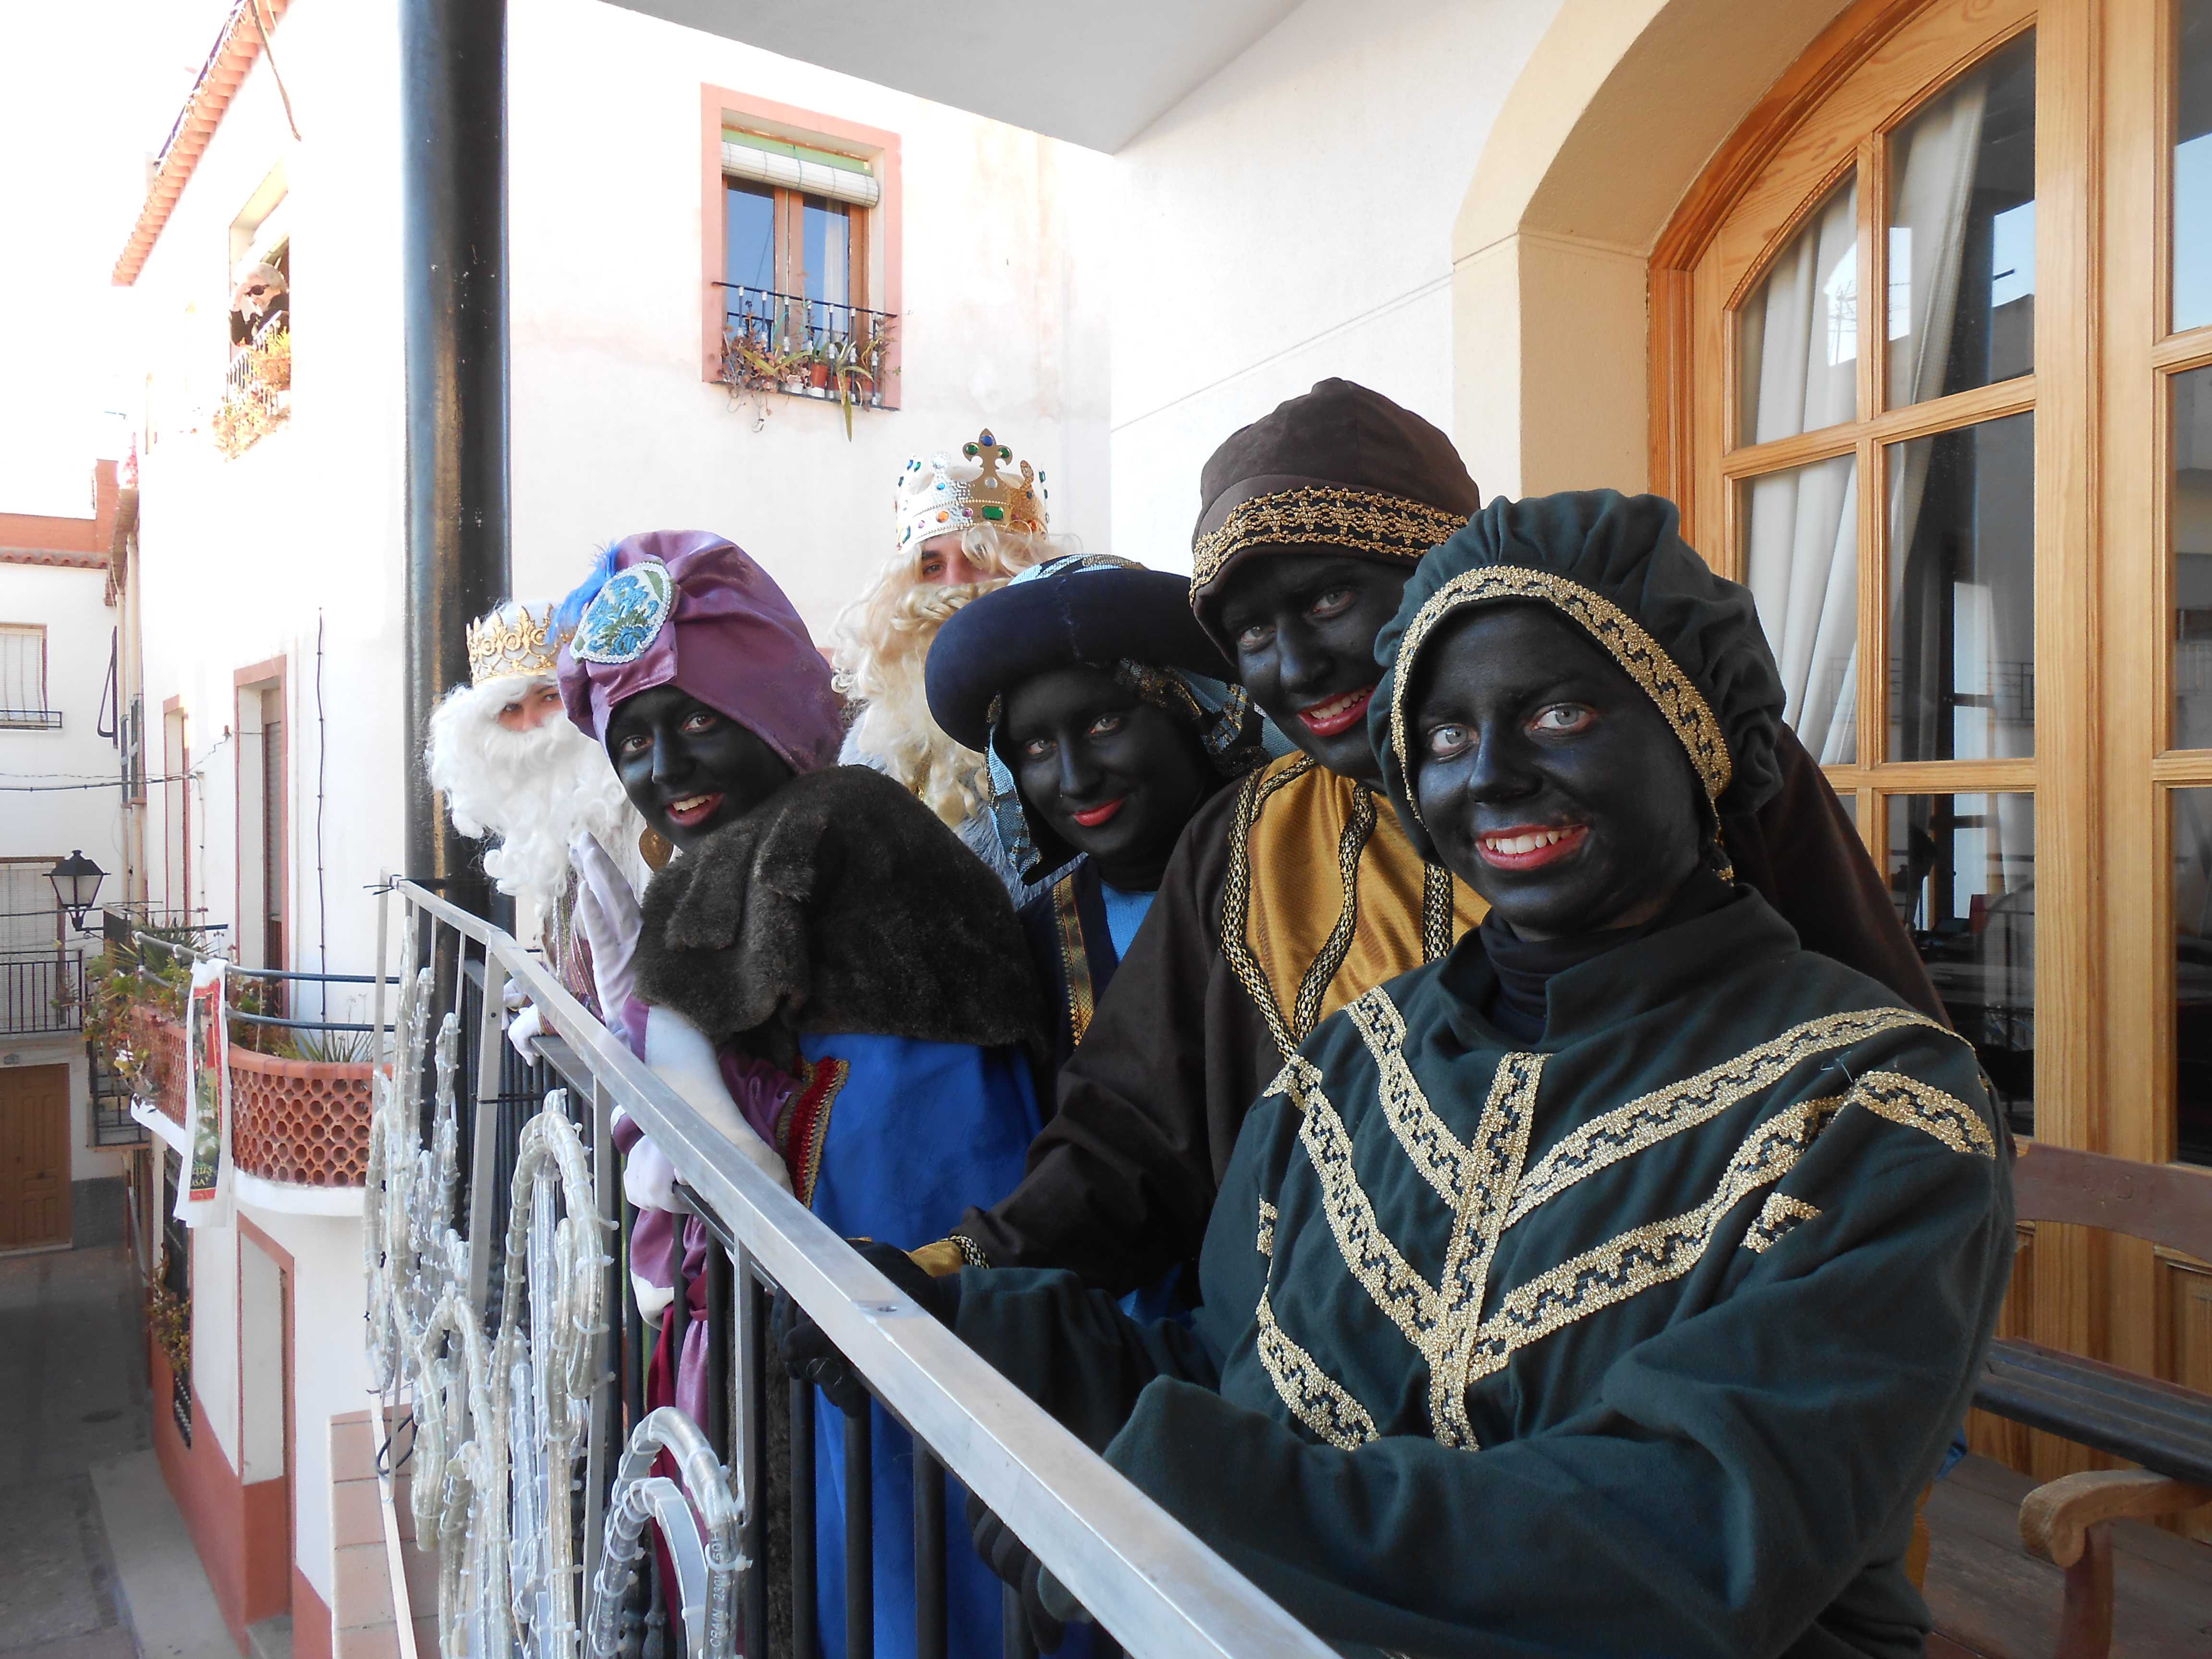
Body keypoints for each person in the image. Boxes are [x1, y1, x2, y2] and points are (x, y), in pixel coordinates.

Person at [791, 490, 2016, 1658]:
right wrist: (962, 1324)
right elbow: (1240, 1378)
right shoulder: (1348, 1067)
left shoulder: (1876, 1107)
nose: (1487, 772)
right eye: (1442, 732)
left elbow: (1687, 1535)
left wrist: (1180, 1480)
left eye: (1559, 715)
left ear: (1695, 727)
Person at [933, 379, 1945, 1298]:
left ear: (1442, 577)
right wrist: (956, 1276)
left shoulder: (1684, 766)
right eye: (1249, 635)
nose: (1295, 666)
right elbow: (1128, 1134)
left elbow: (1881, 1082)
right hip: (1319, 1412)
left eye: (1330, 598)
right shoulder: (1250, 841)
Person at [555, 529, 1063, 1659]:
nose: (665, 769)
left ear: (773, 702)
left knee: (898, 1553)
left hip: (885, 1267)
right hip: (798, 1300)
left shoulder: (851, 834)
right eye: (632, 739)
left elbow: (916, 1143)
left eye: (695, 720)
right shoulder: (742, 854)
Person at [922, 552, 1272, 1076]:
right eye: (1038, 746)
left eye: (1104, 725)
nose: (1076, 780)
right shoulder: (1033, 954)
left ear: (1187, 708)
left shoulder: (1312, 864)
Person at [831, 428, 1068, 900]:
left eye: (981, 558)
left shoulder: (1080, 702)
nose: (954, 587)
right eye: (932, 567)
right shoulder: (874, 746)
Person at [423, 598, 649, 1029]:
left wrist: (554, 1018)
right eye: (510, 710)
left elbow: (645, 967)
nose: (531, 726)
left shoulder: (632, 802)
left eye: (547, 698)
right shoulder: (546, 812)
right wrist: (546, 985)